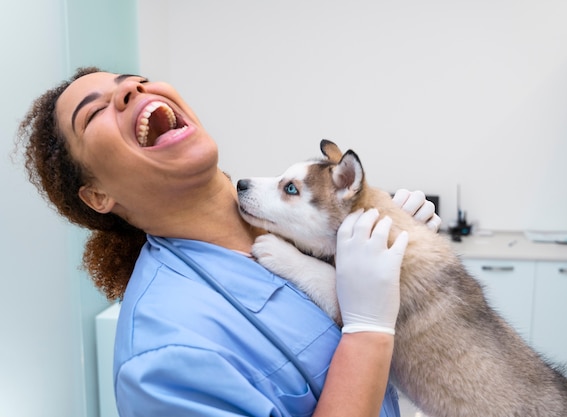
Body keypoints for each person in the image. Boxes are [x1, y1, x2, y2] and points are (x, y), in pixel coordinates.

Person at [17, 67, 441, 417]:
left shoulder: (296, 235)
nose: (131, 89)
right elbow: (366, 333)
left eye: (133, 79)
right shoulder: (161, 358)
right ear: (98, 196)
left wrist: (412, 268)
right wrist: (368, 331)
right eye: (93, 115)